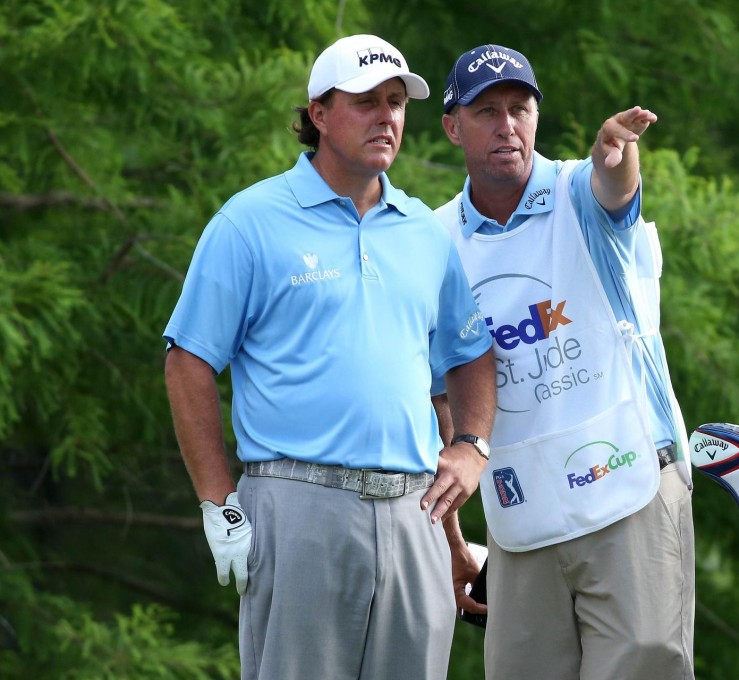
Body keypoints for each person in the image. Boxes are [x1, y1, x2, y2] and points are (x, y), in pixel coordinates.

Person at [163, 34, 496, 680]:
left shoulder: (423, 233)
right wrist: (216, 499)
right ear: (319, 113)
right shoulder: (250, 222)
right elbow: (188, 359)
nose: (387, 117)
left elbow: (470, 353)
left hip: (413, 513)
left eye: (396, 102)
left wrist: (473, 446)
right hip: (297, 505)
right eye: (367, 101)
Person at [434, 44, 696, 679]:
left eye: (520, 109)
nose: (507, 126)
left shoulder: (578, 189)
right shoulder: (433, 240)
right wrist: (450, 545)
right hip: (520, 515)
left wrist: (618, 151)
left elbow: (615, 188)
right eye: (487, 111)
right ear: (451, 126)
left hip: (628, 483)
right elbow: (440, 402)